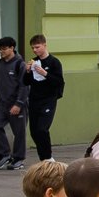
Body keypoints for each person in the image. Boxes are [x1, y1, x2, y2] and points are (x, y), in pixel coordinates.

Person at [0, 37, 31, 171]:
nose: (1, 52)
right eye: (0, 49)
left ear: (12, 48)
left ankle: (18, 159)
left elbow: (24, 86)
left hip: (17, 104)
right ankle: (4, 154)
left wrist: (18, 104)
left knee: (19, 133)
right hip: (1, 103)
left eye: (4, 49)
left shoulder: (20, 65)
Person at [26, 35, 65, 163]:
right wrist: (27, 71)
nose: (35, 50)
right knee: (34, 132)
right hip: (34, 99)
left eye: (37, 47)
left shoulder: (54, 62)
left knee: (42, 129)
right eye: (33, 48)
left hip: (48, 100)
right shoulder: (33, 61)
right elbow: (25, 82)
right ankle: (43, 158)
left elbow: (59, 82)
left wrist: (45, 74)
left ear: (44, 45)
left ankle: (48, 157)